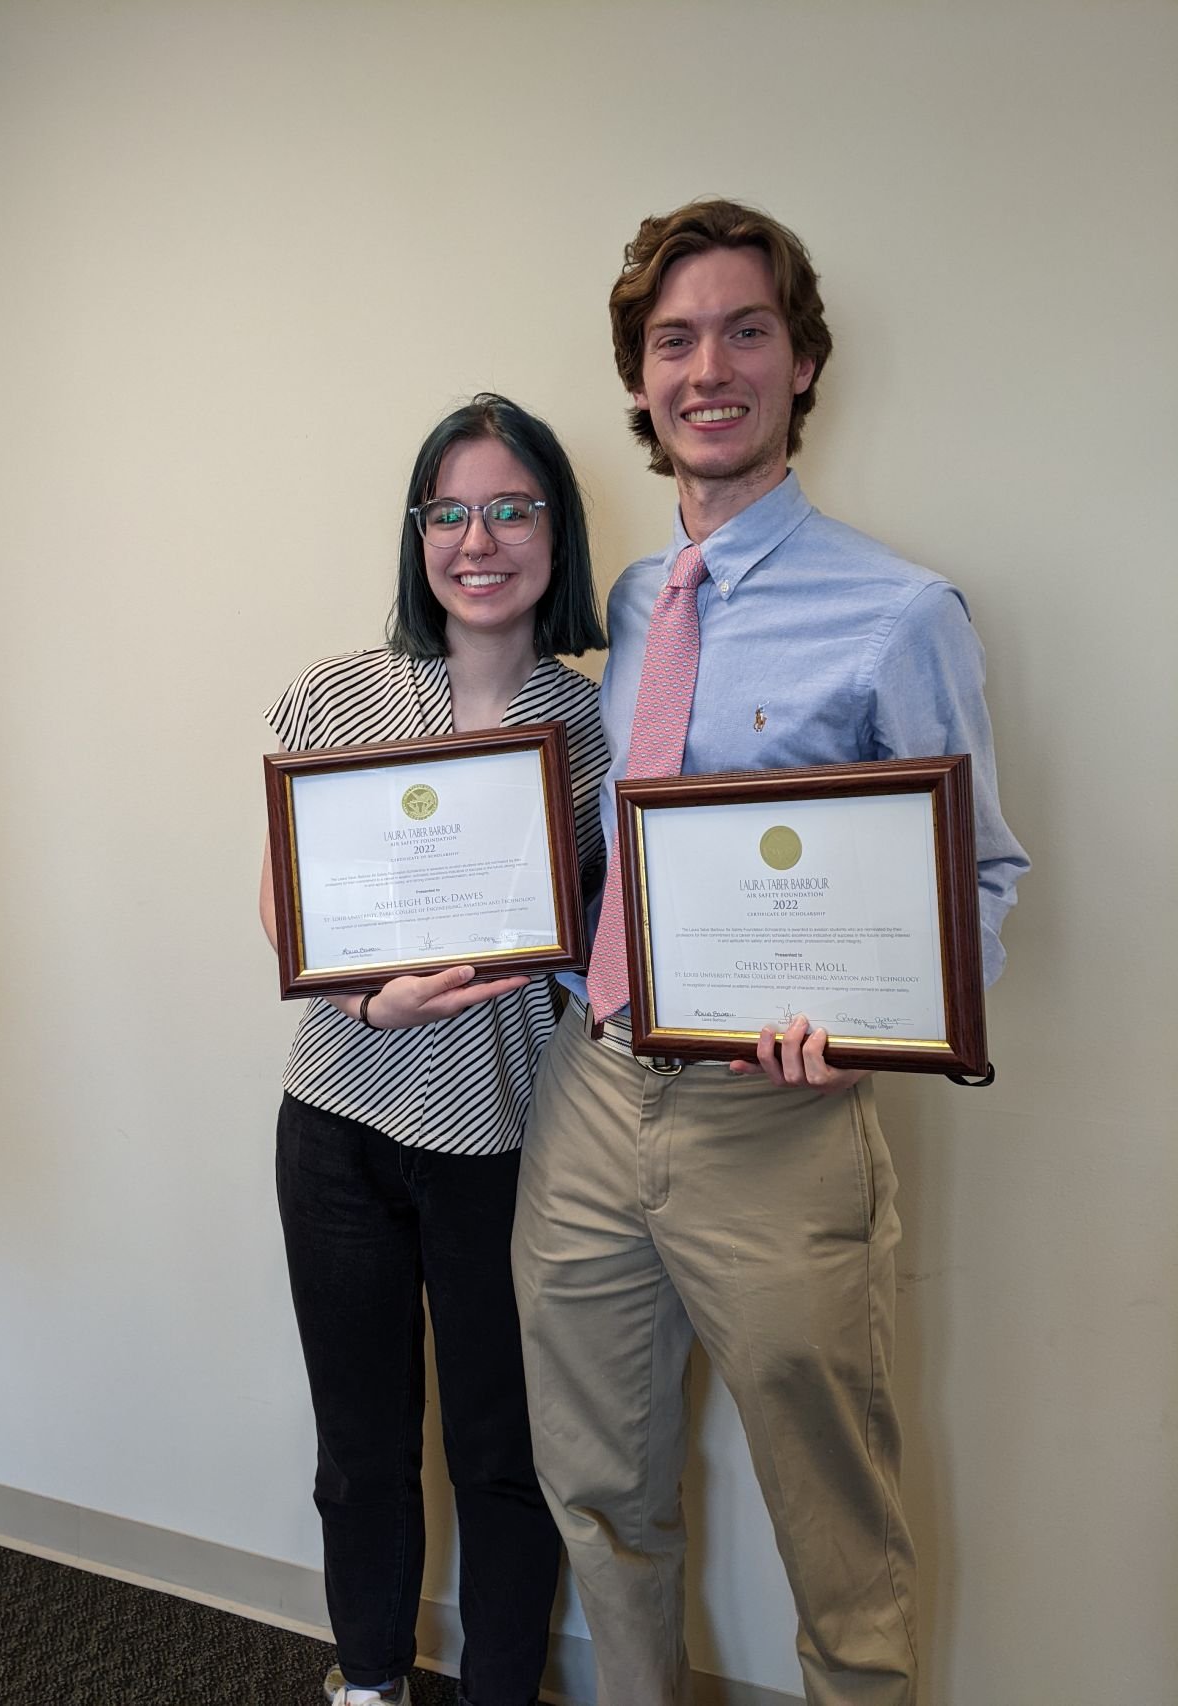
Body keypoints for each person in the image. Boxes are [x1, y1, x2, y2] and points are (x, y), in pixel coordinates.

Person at [510, 201, 1029, 1706]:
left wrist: (870, 1024)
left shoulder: (898, 612)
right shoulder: (625, 599)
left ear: (801, 365)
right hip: (590, 1097)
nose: (709, 367)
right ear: (642, 374)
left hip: (781, 1121)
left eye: (747, 331)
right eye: (675, 339)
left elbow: (980, 872)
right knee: (601, 1484)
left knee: (836, 1520)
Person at [261, 394, 608, 1706]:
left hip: (508, 1139)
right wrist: (364, 1001)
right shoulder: (339, 689)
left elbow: (609, 927)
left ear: (554, 530)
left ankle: (501, 1687)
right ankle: (368, 1681)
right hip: (338, 1127)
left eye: (512, 506)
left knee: (503, 1452)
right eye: (449, 509)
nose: (479, 537)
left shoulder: (594, 721)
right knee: (360, 1447)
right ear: (418, 533)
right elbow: (281, 898)